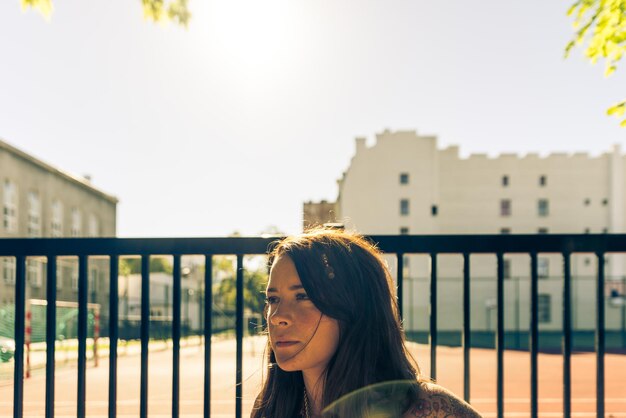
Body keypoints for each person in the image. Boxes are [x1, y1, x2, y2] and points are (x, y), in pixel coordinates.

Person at [251, 228, 482, 418]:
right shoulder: (270, 408)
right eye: (273, 299)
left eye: (303, 296)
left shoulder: (432, 411)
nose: (276, 316)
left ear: (353, 306)